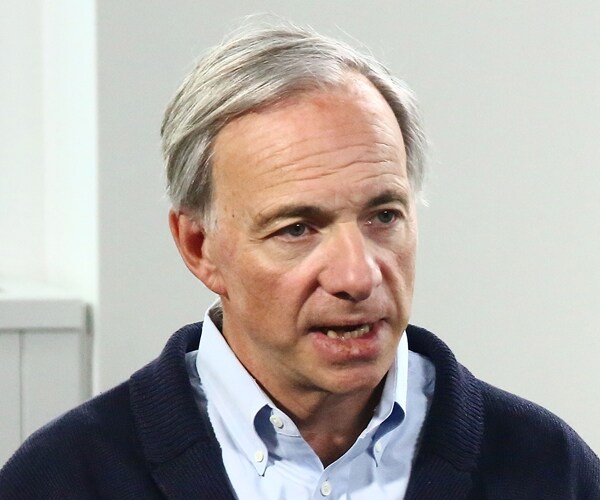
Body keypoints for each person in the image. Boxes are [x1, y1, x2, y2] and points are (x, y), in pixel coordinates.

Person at [1, 21, 598, 500]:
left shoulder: (548, 469)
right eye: (297, 229)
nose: (357, 276)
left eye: (383, 216)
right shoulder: (66, 478)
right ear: (199, 247)